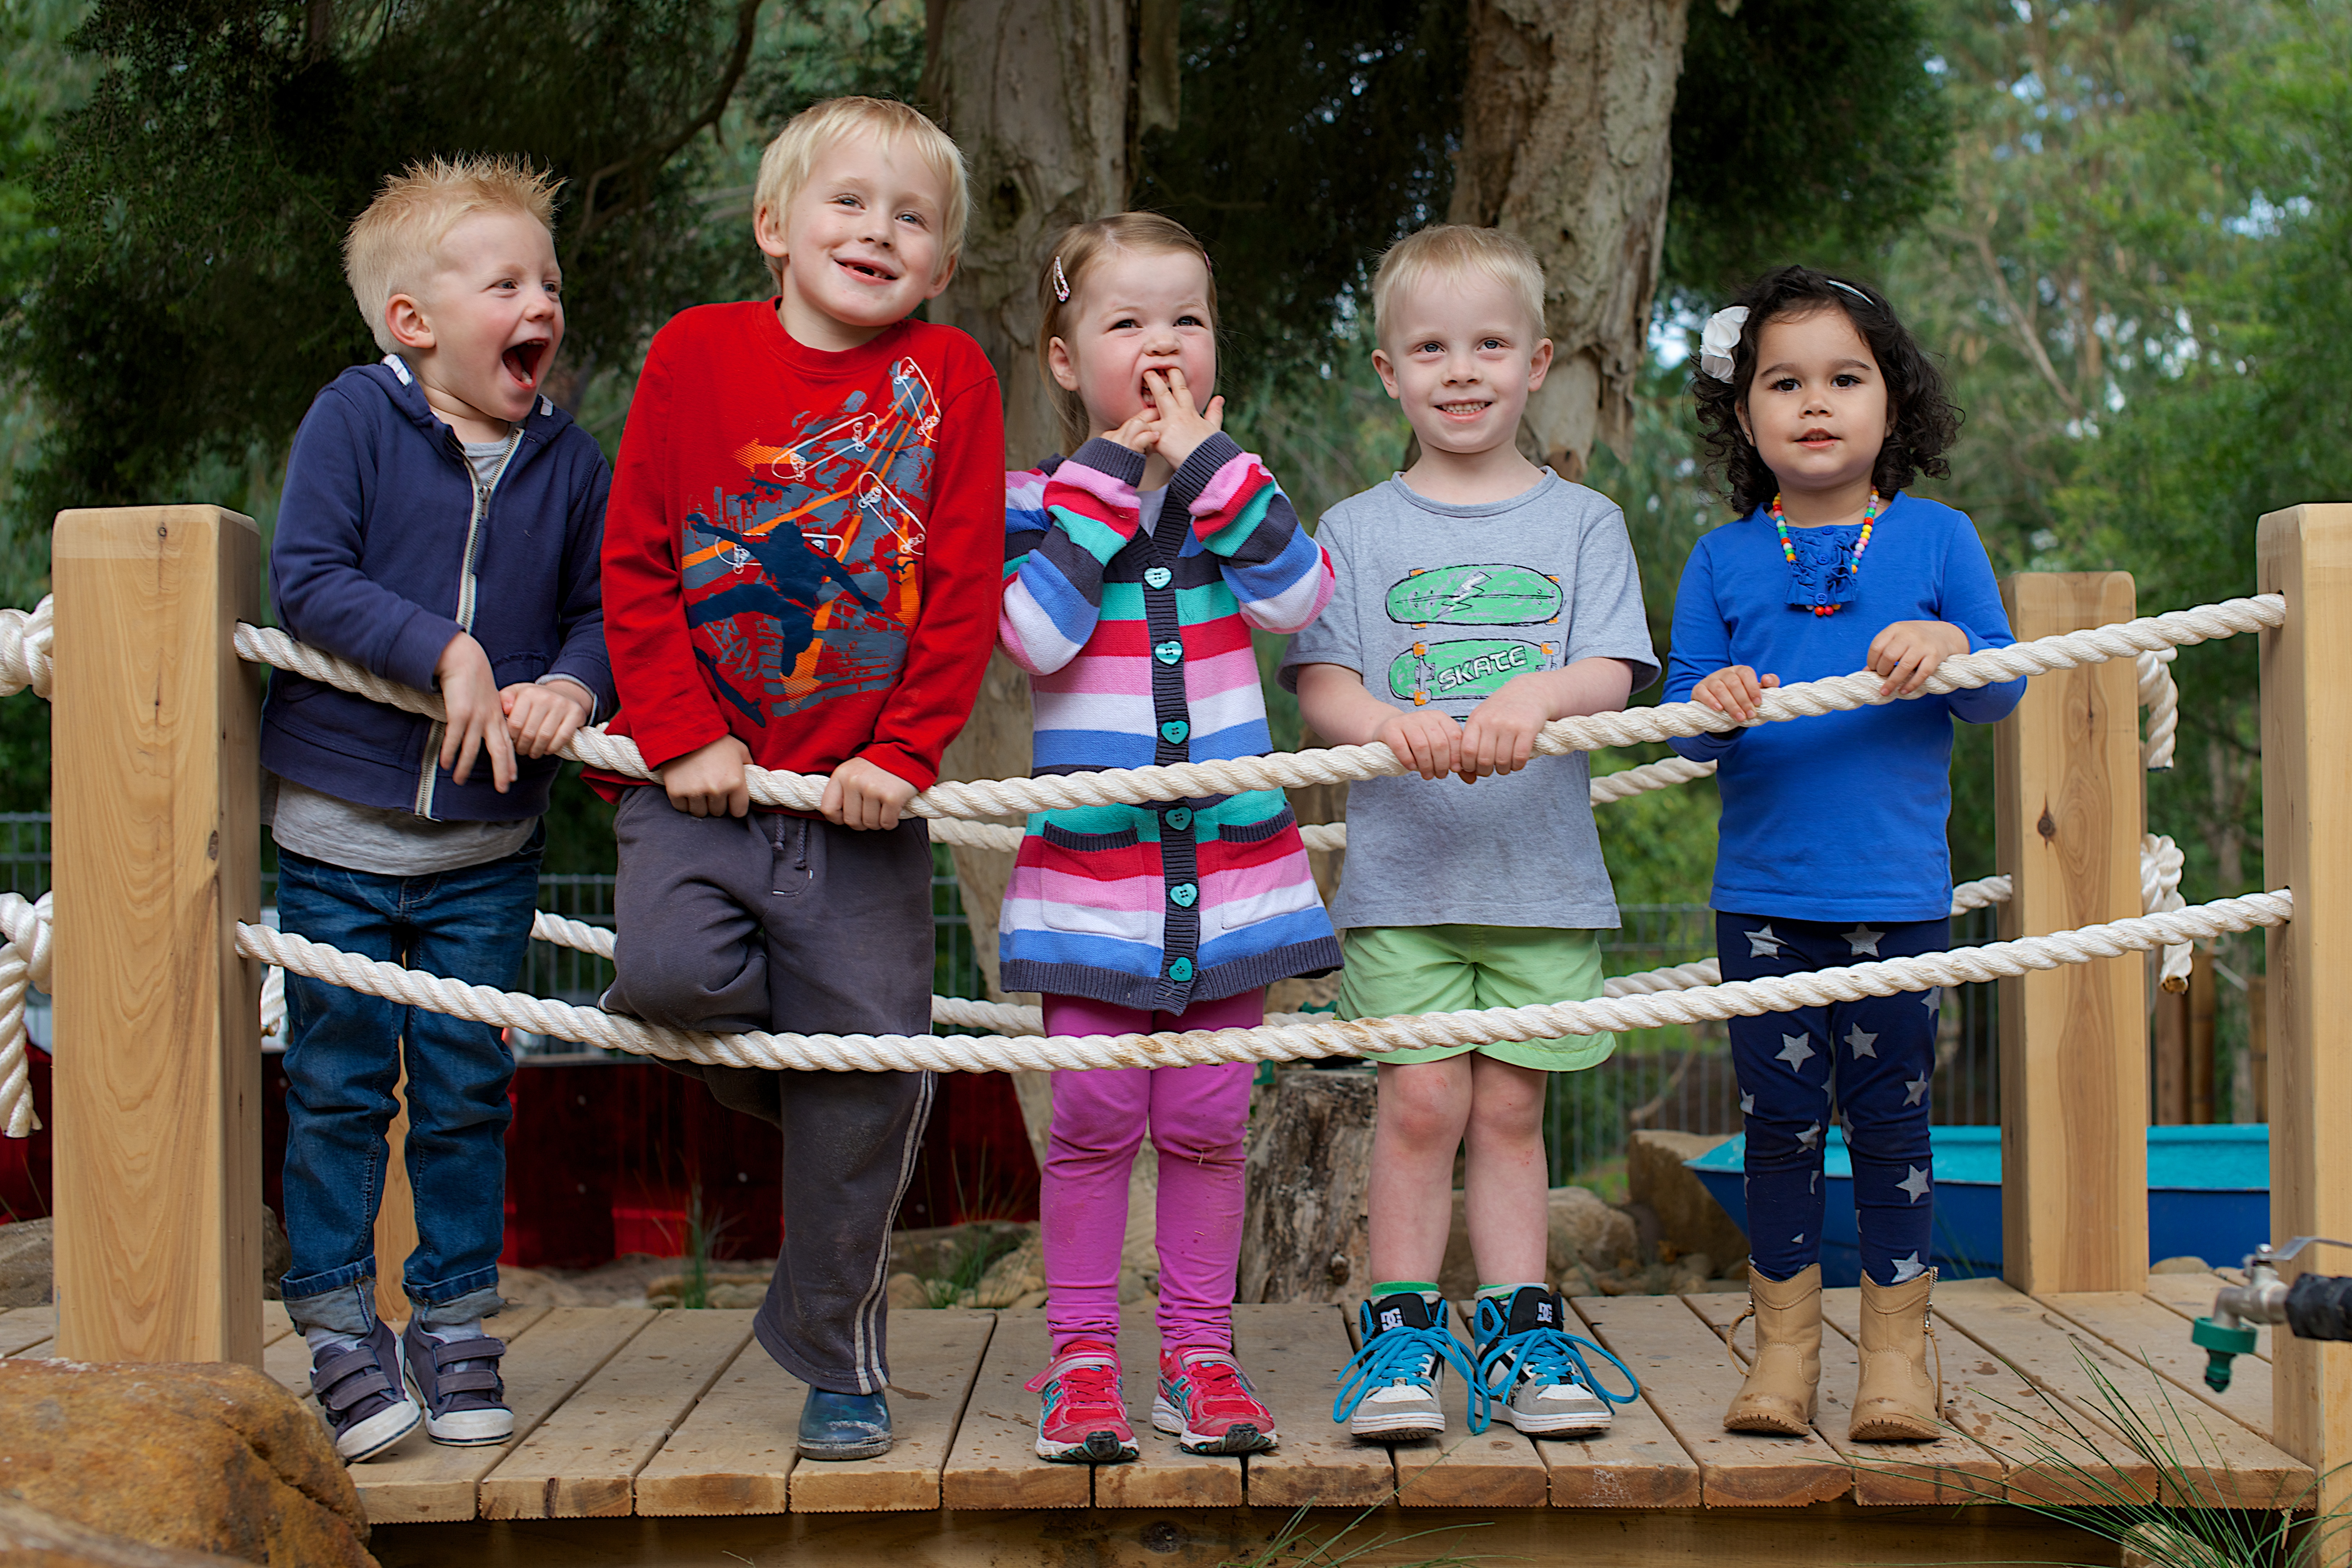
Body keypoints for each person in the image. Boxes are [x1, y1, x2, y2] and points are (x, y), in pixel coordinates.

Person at [592, 97, 1002, 1462]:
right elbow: (640, 559)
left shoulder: (952, 376)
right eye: (848, 202)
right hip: (699, 785)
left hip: (860, 809)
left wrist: (902, 755)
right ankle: (867, 1113)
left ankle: (836, 1345)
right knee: (666, 980)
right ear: (776, 227)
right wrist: (679, 732)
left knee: (870, 1065)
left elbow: (957, 596)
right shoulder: (694, 353)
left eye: (912, 218)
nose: (877, 231)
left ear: (941, 264)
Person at [265, 155, 612, 1462]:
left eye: (551, 282)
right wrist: (448, 653)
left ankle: (457, 1317)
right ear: (414, 320)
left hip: (486, 843)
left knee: (468, 1085)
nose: (543, 303)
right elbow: (308, 578)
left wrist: (575, 681)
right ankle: (339, 1327)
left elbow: (601, 611)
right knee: (342, 1085)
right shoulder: (356, 421)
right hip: (341, 835)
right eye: (508, 281)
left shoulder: (567, 460)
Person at [1284, 225, 1650, 1444]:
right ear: (1389, 372)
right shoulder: (1355, 526)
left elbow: (1612, 667)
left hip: (1542, 879)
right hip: (1405, 877)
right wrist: (1392, 722)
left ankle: (1521, 1329)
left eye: (1488, 344)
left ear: (1536, 360)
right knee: (1423, 1104)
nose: (1461, 369)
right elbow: (1322, 684)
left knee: (1509, 1115)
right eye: (1430, 347)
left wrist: (1528, 698)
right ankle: (1399, 1333)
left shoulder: (1585, 521)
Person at [998, 212, 1339, 1464]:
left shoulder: (1231, 502)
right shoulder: (1040, 503)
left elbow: (1301, 598)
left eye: (1186, 320)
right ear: (1062, 356)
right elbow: (1032, 638)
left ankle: (1200, 1358)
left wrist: (1209, 467)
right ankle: (1082, 1364)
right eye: (1125, 321)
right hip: (1094, 888)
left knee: (1206, 1122)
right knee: (1094, 1123)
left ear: (1216, 354)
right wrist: (1100, 479)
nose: (1159, 347)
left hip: (1233, 886)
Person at [1664, 265, 2024, 1440]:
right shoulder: (1722, 560)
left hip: (1896, 900)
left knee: (1893, 1125)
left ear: (1893, 402)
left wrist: (1951, 638)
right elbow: (1685, 729)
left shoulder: (1940, 538)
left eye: (1844, 378)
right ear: (1745, 412)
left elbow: (2000, 686)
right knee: (1777, 1126)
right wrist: (1714, 699)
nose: (1814, 403)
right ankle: (1781, 1356)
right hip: (1764, 903)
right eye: (1784, 381)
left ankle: (1897, 1362)